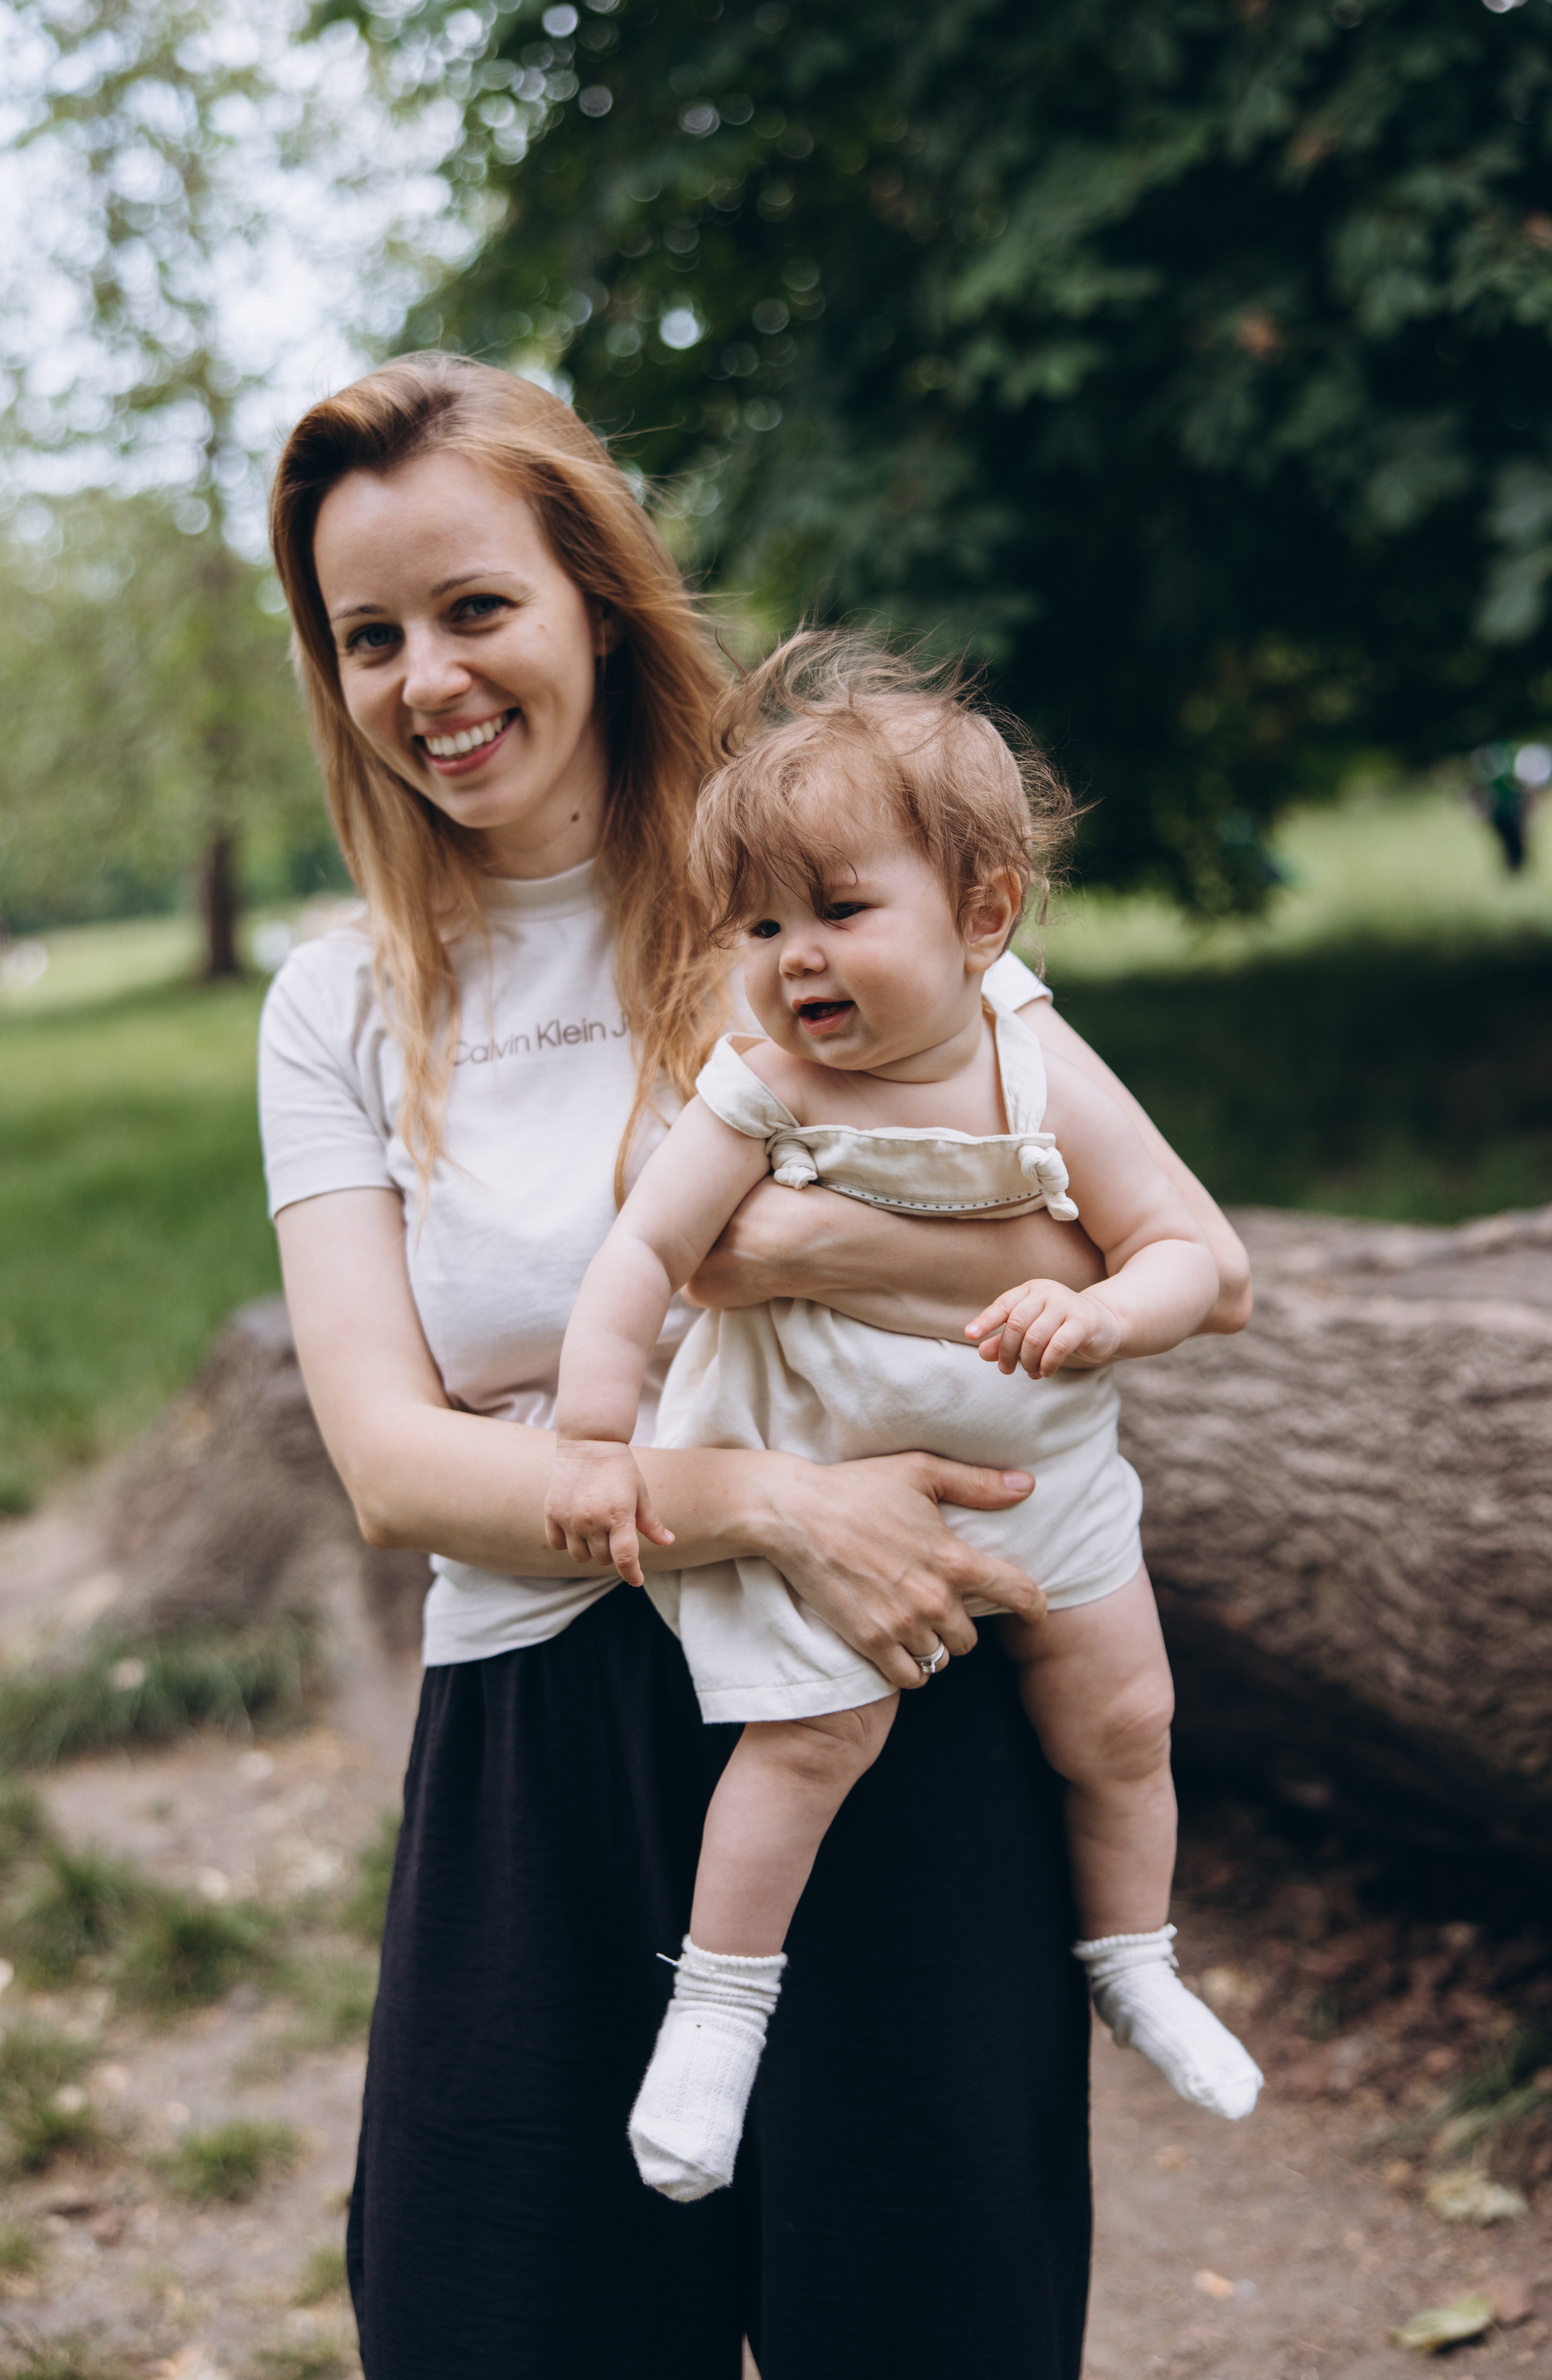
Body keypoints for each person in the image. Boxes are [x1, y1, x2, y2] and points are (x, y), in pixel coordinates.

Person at [259, 354, 1254, 2380]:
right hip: (546, 1712)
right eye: (368, 635)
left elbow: (1084, 1233)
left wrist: (787, 1242)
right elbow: (386, 1456)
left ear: (596, 600)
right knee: (495, 2319)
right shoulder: (343, 997)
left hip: (896, 1690)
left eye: (473, 607)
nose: (426, 678)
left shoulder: (810, 876)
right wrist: (773, 1496)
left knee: (930, 2319)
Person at [546, 637, 1262, 2206]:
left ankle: (1132, 1957)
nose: (792, 958)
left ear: (983, 914)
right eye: (759, 923)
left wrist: (1095, 1310)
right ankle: (714, 2012)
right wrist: (599, 1427)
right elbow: (645, 1256)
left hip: (1051, 1478)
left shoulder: (1036, 1062)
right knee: (808, 1740)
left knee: (1124, 1719)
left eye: (840, 911)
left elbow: (1191, 1259)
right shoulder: (761, 1085)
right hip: (832, 1473)